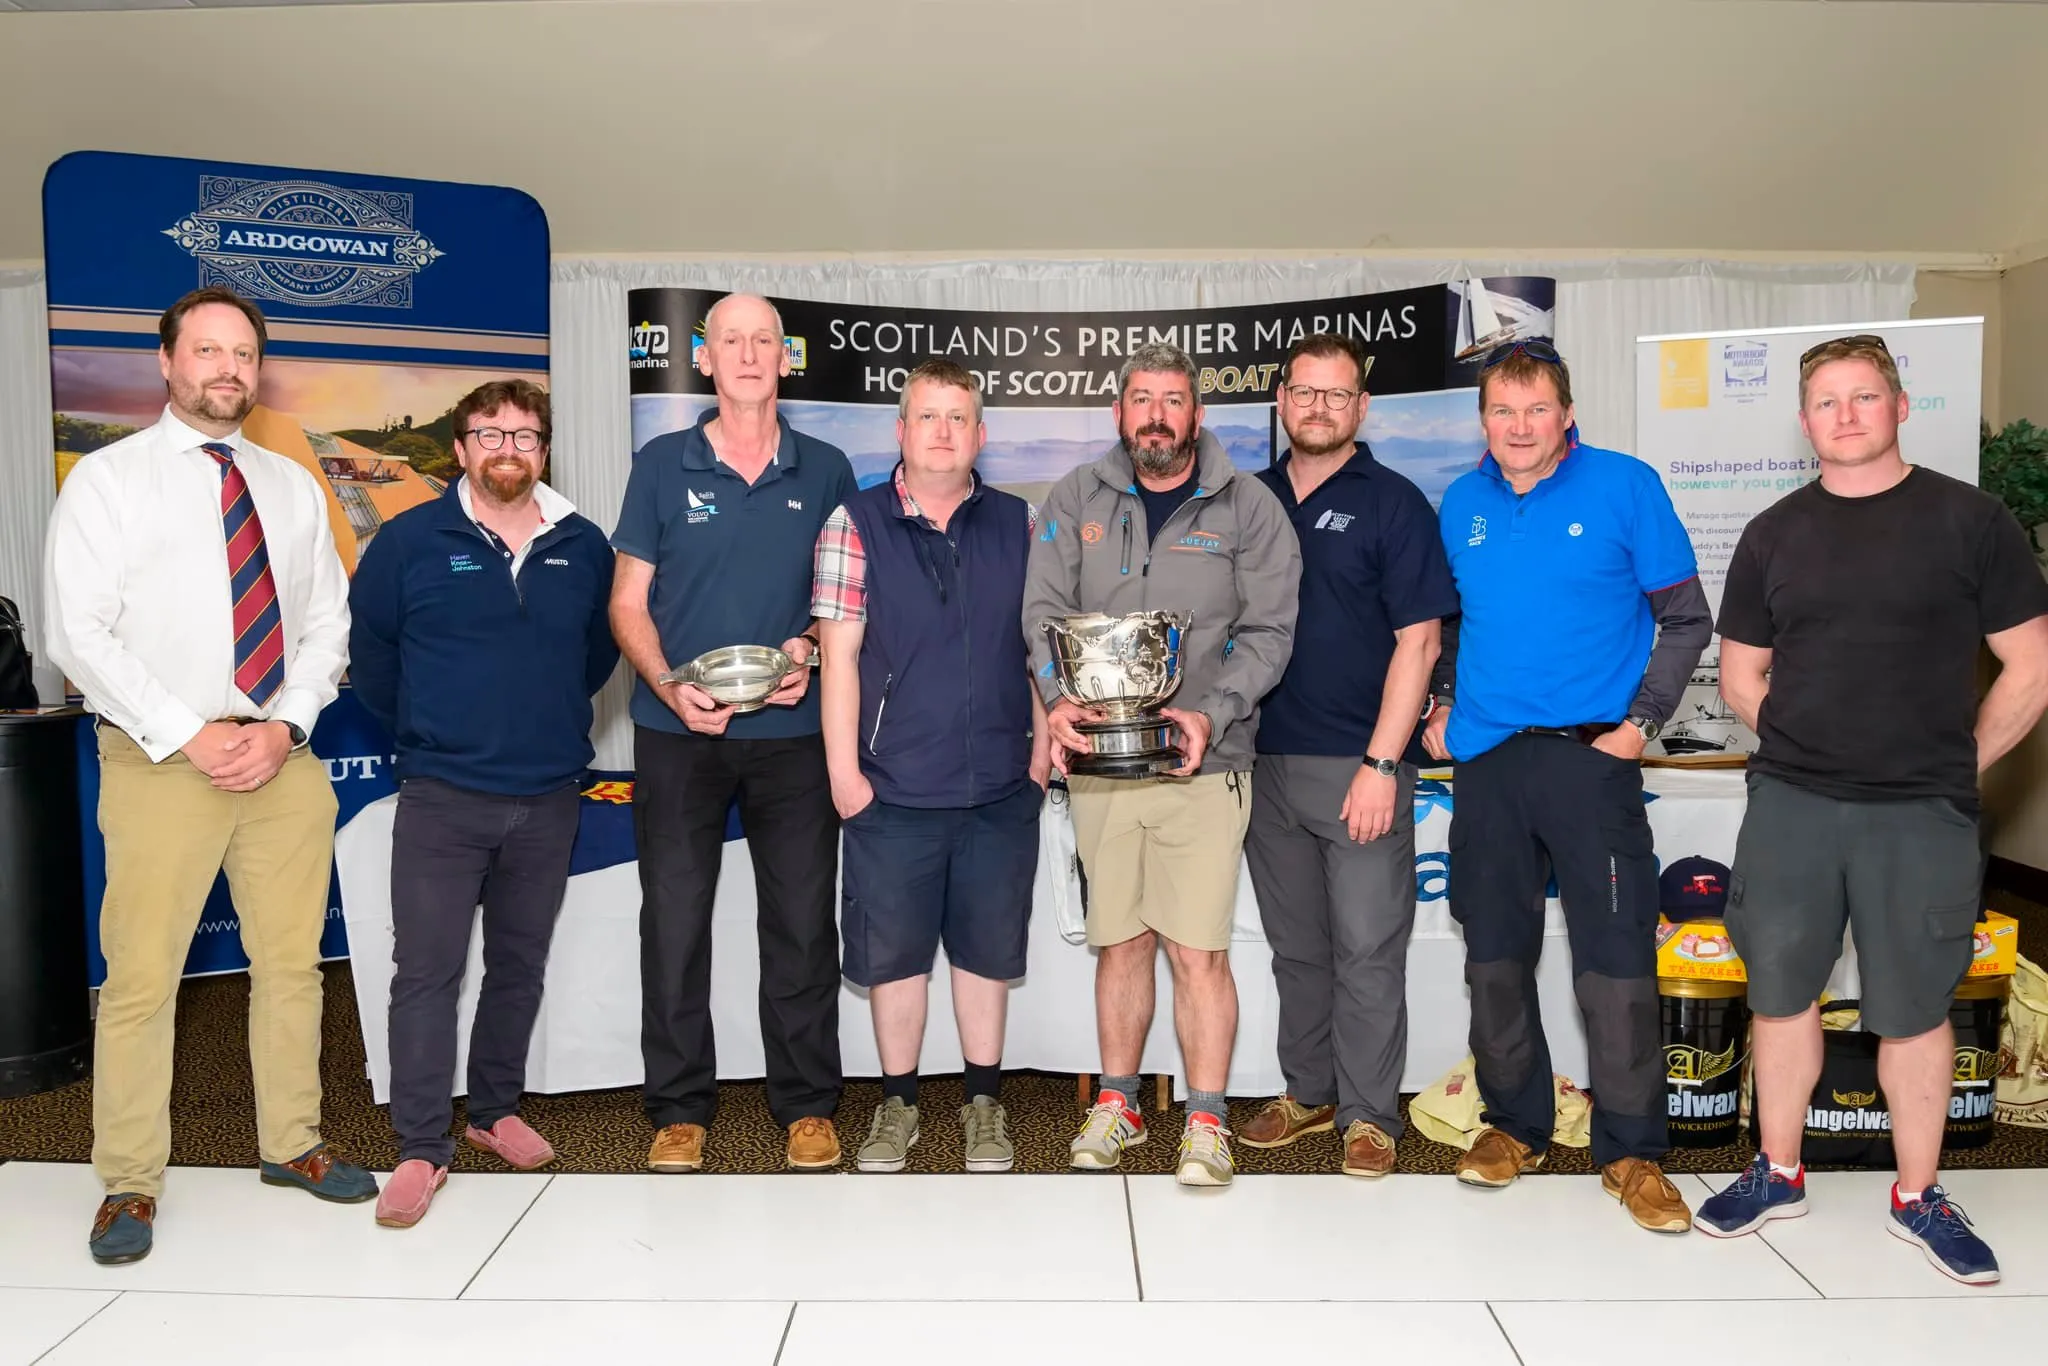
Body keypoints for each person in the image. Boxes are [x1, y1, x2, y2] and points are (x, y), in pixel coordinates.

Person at [1695, 333, 2048, 1284]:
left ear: (1898, 405)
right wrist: (1815, 738)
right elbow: (1739, 675)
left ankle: (1918, 1194)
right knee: (1779, 995)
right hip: (1793, 805)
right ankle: (1776, 1172)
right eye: (1825, 401)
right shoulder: (1774, 531)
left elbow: (2032, 662)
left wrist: (1956, 762)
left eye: (1863, 397)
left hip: (1921, 813)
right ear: (1804, 420)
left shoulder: (1970, 522)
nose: (1845, 415)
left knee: (1914, 1009)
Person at [43, 285, 374, 1265]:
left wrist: (284, 726)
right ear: (168, 362)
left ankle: (293, 1145)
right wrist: (190, 732)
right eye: (207, 352)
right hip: (158, 760)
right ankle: (130, 1180)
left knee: (292, 967)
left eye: (242, 354)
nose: (226, 369)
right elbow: (77, 632)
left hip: (282, 755)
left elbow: (326, 624)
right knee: (142, 979)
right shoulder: (106, 482)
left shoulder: (287, 484)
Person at [1424, 339, 1709, 1232]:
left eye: (1536, 409)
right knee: (1495, 957)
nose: (1518, 427)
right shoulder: (1461, 502)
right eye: (1502, 411)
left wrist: (1640, 725)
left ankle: (1631, 1150)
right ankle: (1514, 1124)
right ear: (1483, 420)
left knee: (1616, 961)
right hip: (1489, 764)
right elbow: (1456, 625)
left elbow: (1685, 618)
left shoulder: (1626, 486)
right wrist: (1440, 701)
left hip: (1593, 760)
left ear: (1567, 413)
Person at [1022, 341, 1300, 1187]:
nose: (1155, 416)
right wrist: (1054, 695)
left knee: (1197, 951)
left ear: (1196, 414)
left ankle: (1207, 1118)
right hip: (1102, 766)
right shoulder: (1076, 497)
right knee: (1121, 944)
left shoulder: (1248, 506)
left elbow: (1269, 634)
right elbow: (1041, 612)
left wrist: (1207, 716)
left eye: (1171, 400)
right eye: (1141, 399)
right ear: (1120, 413)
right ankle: (1120, 1102)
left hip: (1202, 764)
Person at [347, 379, 618, 1227]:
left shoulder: (584, 544)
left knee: (517, 965)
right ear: (460, 448)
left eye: (526, 436)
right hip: (440, 795)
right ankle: (421, 1147)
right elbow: (376, 658)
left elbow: (595, 658)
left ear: (545, 449)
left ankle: (495, 1110)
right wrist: (434, 732)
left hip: (548, 795)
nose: (509, 449)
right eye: (489, 435)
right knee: (426, 975)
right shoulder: (407, 541)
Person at [611, 292, 857, 1172]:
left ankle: (806, 1106)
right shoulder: (659, 464)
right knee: (674, 923)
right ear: (703, 358)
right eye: (731, 341)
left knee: (800, 925)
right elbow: (626, 603)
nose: (748, 354)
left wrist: (808, 651)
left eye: (764, 341)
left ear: (784, 359)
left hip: (791, 737)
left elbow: (843, 606)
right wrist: (672, 689)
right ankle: (678, 1110)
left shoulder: (827, 469)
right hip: (678, 734)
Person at [812, 359, 1051, 1174]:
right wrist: (845, 774)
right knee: (896, 960)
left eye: (959, 418)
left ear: (981, 435)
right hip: (893, 791)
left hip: (999, 789)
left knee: (986, 955)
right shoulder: (854, 523)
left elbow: (1037, 648)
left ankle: (984, 1104)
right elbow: (837, 661)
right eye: (928, 417)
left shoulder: (1020, 524)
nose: (943, 432)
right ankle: (898, 1108)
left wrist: (1046, 740)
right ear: (901, 431)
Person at [1240, 333, 1458, 1177]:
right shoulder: (1249, 499)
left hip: (1359, 766)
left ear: (1362, 409)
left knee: (1369, 947)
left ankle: (1370, 1115)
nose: (1319, 408)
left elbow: (1420, 640)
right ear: (1282, 403)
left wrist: (1381, 763)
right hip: (1261, 763)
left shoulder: (1394, 503)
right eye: (1305, 393)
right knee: (1298, 947)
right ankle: (1310, 1090)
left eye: (1338, 395)